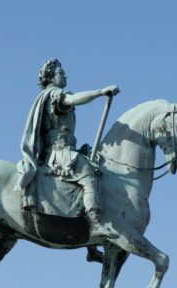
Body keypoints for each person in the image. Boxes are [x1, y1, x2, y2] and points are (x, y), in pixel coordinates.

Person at [18, 58, 119, 239]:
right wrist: (100, 92)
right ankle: (95, 224)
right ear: (51, 77)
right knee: (89, 175)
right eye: (60, 72)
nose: (65, 75)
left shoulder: (48, 96)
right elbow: (72, 99)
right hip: (59, 153)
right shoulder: (55, 94)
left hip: (66, 148)